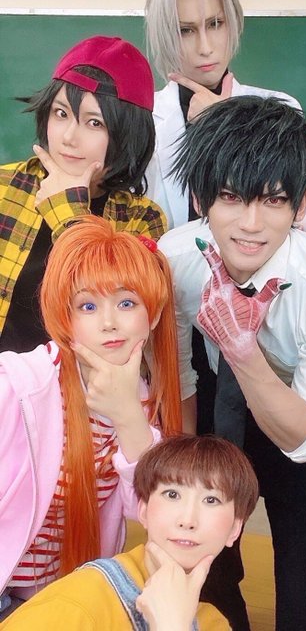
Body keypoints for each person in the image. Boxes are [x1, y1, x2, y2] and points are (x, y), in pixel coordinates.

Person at [158, 95, 306, 631]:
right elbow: (179, 372)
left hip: (303, 415)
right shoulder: (176, 259)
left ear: (301, 206)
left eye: (273, 201)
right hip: (214, 407)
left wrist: (242, 349)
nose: (251, 224)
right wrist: (185, 468)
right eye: (231, 197)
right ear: (201, 196)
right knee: (206, 579)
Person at [0, 216, 181, 620]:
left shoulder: (141, 400)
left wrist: (127, 416)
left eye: (126, 303)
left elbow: (151, 510)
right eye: (88, 306)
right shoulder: (18, 386)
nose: (109, 322)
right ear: (65, 317)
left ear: (152, 315)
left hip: (62, 598)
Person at [0, 35, 167, 353]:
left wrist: (69, 214)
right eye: (61, 114)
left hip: (88, 381)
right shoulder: (5, 188)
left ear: (128, 134)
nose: (68, 137)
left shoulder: (142, 219)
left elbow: (114, 326)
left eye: (94, 123)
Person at [144, 0, 306, 232]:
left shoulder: (278, 109)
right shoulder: (143, 120)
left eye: (215, 24)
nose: (205, 47)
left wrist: (220, 124)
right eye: (186, 30)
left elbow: (290, 212)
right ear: (164, 34)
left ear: (231, 21)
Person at [1, 434, 258, 631]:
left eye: (211, 500)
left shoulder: (212, 623)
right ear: (143, 511)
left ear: (235, 529)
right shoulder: (82, 601)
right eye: (172, 494)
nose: (188, 520)